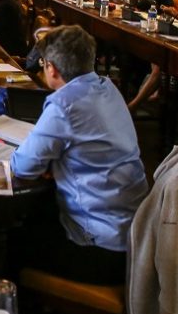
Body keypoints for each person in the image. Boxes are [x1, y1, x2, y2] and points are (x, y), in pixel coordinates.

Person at [10, 25, 148, 285]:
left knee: (13, 243)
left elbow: (23, 167)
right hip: (134, 237)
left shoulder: (64, 104)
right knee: (41, 211)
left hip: (99, 249)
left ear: (51, 68)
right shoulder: (108, 89)